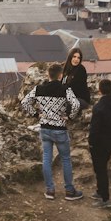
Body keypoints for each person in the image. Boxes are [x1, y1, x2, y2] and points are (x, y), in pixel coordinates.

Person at [22, 62, 84, 200]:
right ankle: (69, 191)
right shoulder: (65, 89)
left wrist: (36, 114)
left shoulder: (39, 89)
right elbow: (76, 104)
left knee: (46, 159)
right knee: (66, 159)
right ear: (61, 75)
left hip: (45, 128)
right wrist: (69, 117)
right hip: (60, 129)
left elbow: (24, 102)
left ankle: (50, 190)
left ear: (48, 75)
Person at [63, 46, 92, 110]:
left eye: (78, 58)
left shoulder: (81, 69)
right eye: (74, 57)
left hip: (81, 99)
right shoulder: (65, 69)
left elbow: (74, 87)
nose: (76, 59)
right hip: (69, 98)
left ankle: (69, 119)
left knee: (65, 105)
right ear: (70, 57)